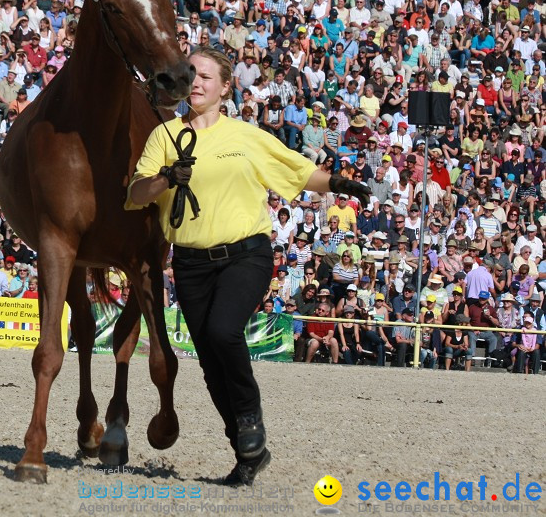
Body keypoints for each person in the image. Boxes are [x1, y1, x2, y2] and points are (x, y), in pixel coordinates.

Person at [126, 47, 369, 486]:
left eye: (204, 77)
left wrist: (337, 183)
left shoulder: (246, 136)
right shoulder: (164, 137)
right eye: (189, 76)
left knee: (223, 332)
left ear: (224, 87)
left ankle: (251, 419)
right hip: (190, 264)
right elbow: (135, 194)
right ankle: (246, 451)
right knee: (209, 363)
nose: (195, 83)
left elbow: (297, 171)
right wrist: (166, 179)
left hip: (246, 254)